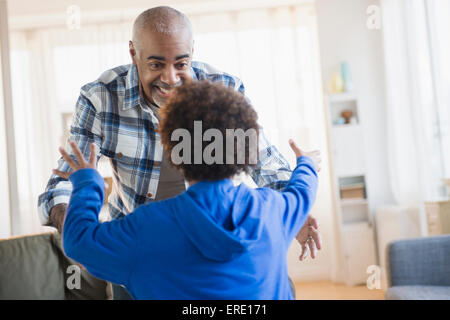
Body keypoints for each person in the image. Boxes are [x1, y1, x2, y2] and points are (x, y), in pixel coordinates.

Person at [38, 6, 321, 299]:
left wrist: (88, 187)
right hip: (144, 249)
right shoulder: (100, 97)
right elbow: (62, 183)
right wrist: (305, 171)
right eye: (157, 64)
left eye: (181, 63)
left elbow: (265, 160)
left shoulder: (223, 88)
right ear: (134, 53)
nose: (171, 78)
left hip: (177, 236)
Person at [54, 81, 321, 300]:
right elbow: (303, 190)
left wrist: (88, 181)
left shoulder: (146, 227)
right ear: (244, 148)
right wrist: (306, 162)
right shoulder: (274, 209)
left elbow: (78, 242)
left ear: (173, 151)